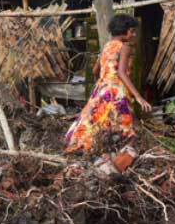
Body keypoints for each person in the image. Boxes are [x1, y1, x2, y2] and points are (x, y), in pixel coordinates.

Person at [65, 14, 152, 155]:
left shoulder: (107, 46)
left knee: (96, 121)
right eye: (133, 31)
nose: (134, 34)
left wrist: (101, 83)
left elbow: (95, 70)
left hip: (102, 89)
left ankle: (88, 149)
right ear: (126, 30)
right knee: (124, 126)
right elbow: (122, 73)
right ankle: (120, 157)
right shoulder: (125, 47)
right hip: (116, 90)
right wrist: (138, 97)